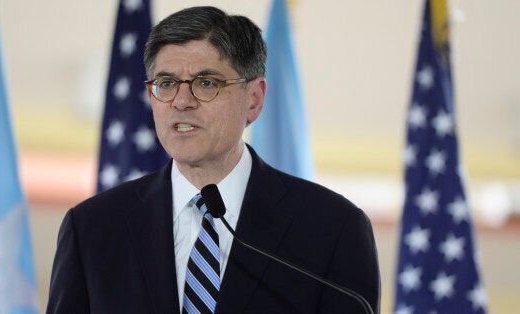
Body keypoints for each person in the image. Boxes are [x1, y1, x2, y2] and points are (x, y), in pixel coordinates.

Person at [47, 6, 380, 314]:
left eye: (206, 83)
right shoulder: (93, 228)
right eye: (166, 83)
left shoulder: (332, 229)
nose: (181, 101)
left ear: (254, 99)